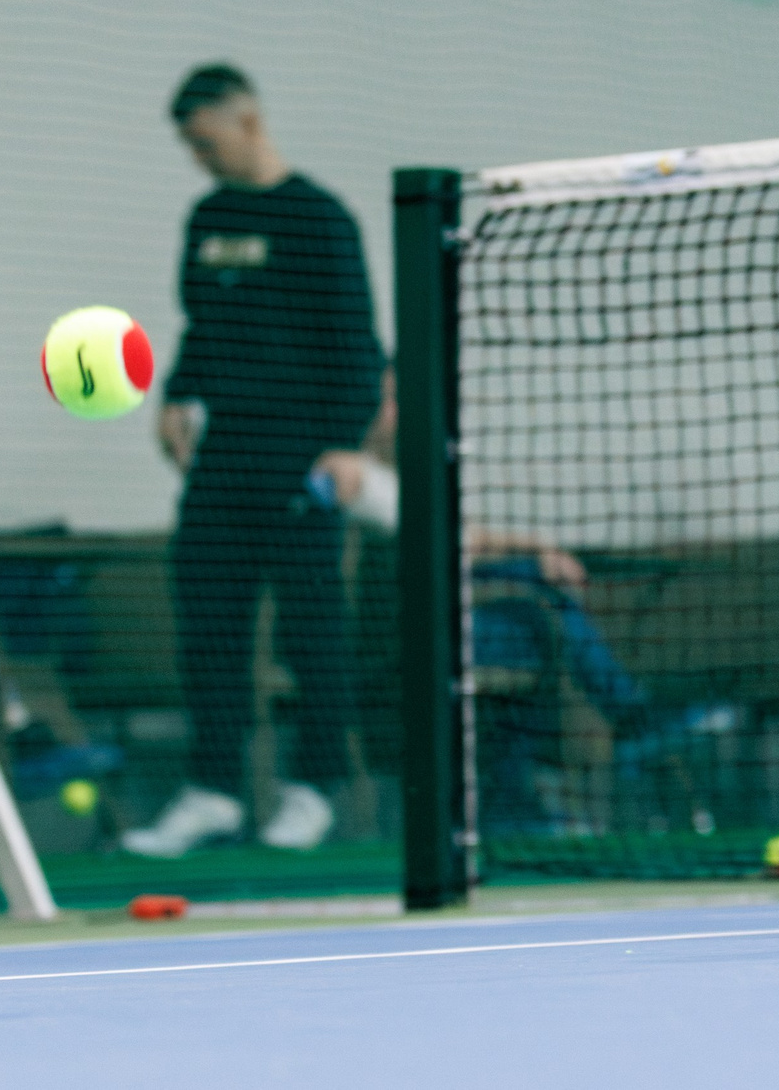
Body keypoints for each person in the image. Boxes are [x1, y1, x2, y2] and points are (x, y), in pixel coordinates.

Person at [125, 64, 385, 859]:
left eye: (205, 141)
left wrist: (345, 444)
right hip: (223, 458)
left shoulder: (319, 220)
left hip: (302, 456)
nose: (198, 158)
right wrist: (176, 393)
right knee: (208, 624)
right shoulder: (207, 216)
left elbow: (357, 344)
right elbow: (199, 325)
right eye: (188, 147)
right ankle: (214, 792)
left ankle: (314, 790)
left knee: (312, 632)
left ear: (247, 122)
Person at [314, 371, 651, 832]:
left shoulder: (415, 478)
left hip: (447, 627)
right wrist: (532, 563)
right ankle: (635, 722)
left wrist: (537, 551)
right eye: (387, 397)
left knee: (536, 621)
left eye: (402, 397)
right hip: (397, 645)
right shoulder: (350, 470)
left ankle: (512, 795)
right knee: (537, 613)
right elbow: (353, 491)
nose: (396, 409)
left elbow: (463, 540)